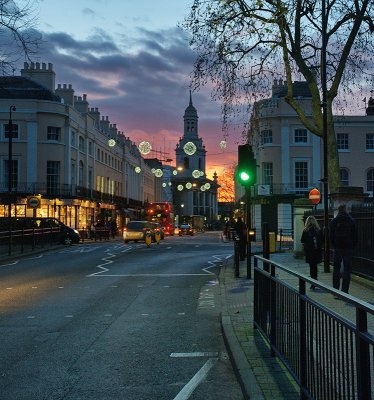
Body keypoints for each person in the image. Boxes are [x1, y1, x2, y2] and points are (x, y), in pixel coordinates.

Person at [329, 204, 358, 294]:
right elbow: (355, 236)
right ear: (345, 210)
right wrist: (352, 246)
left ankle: (335, 290)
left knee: (336, 269)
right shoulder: (351, 221)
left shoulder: (334, 221)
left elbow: (331, 236)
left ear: (338, 210)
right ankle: (345, 291)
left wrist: (334, 245)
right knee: (347, 270)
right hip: (348, 248)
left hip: (338, 248)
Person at [301, 216, 323, 289]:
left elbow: (302, 240)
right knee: (315, 266)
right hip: (317, 251)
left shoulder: (306, 230)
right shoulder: (318, 230)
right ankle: (315, 279)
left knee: (312, 266)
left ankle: (313, 281)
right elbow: (322, 239)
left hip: (310, 251)